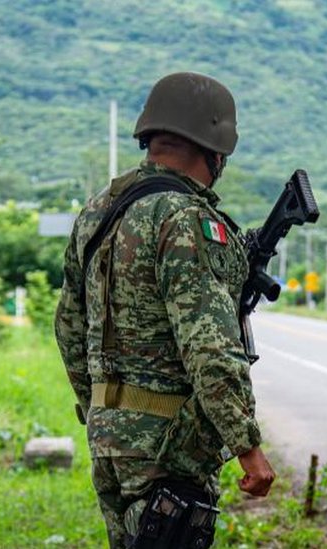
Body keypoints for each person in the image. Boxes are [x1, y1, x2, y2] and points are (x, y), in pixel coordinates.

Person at [55, 72, 275, 548]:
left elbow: (69, 326)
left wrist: (97, 405)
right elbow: (210, 346)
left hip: (107, 437)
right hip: (167, 446)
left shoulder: (98, 210)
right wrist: (248, 448)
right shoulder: (185, 218)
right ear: (215, 150)